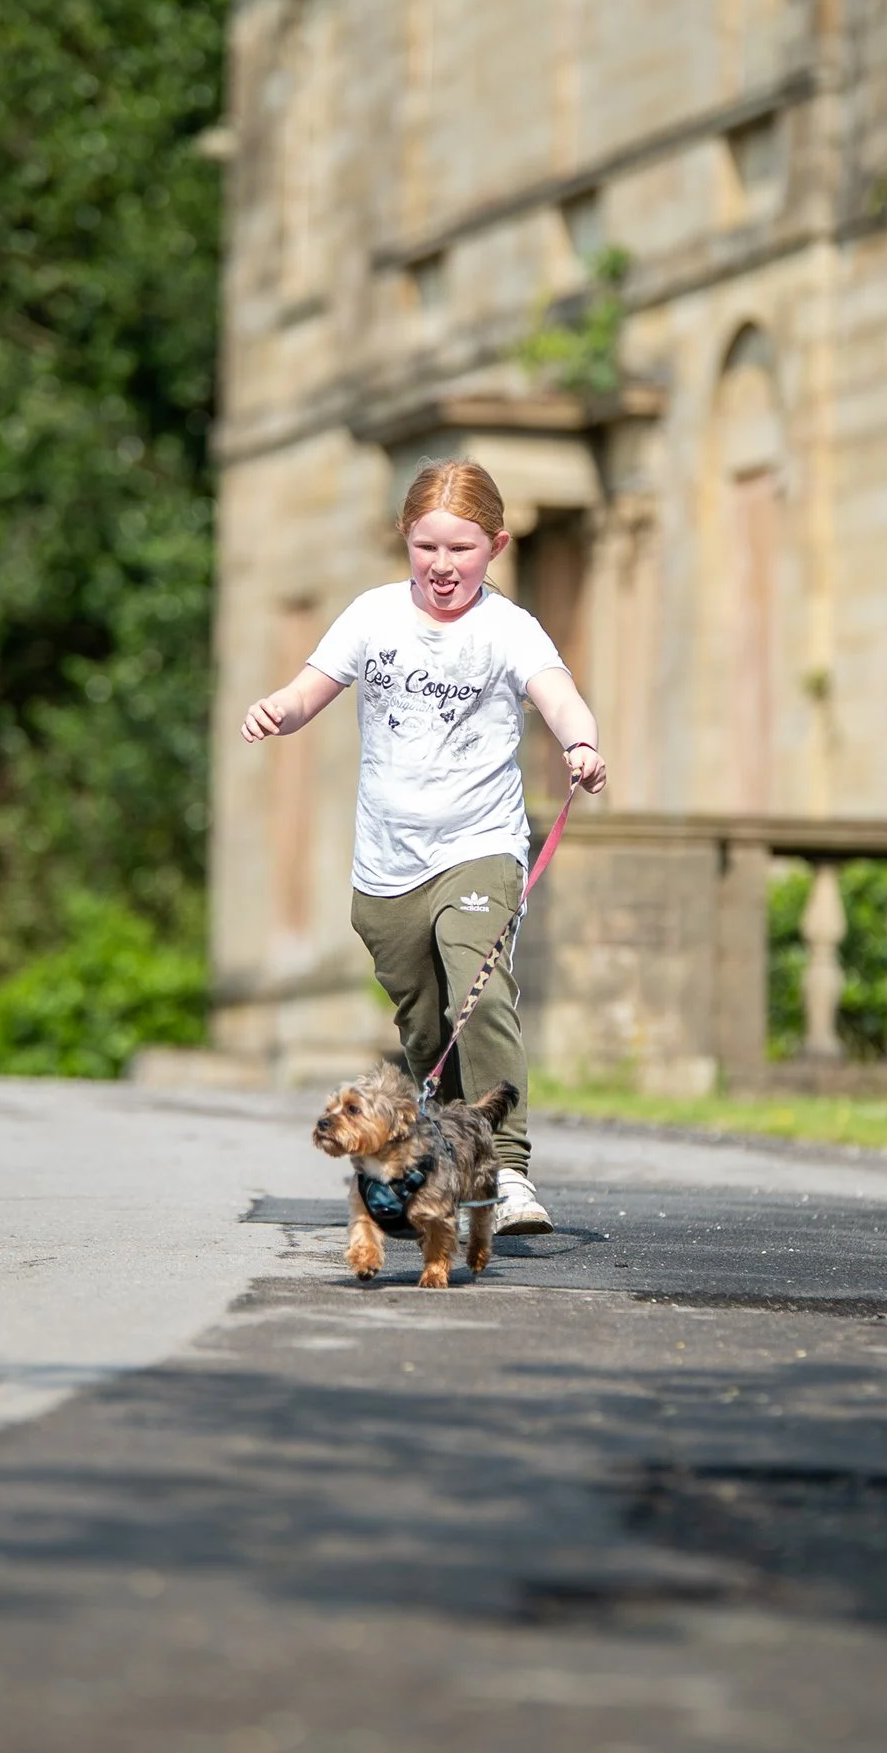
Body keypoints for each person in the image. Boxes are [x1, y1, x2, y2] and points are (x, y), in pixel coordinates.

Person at [241, 459, 608, 1233]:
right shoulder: (373, 615)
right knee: (423, 1022)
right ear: (406, 540)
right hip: (387, 860)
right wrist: (280, 706)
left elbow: (559, 693)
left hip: (479, 841)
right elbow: (312, 687)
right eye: (428, 548)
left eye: (463, 550)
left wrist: (580, 743)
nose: (444, 567)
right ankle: (443, 1152)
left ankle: (508, 1170)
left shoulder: (508, 627)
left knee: (481, 989)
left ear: (496, 545)